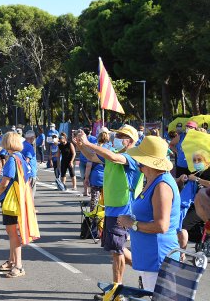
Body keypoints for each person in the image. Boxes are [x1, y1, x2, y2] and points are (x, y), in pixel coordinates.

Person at [75, 125, 142, 297]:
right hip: (112, 208)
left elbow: (112, 156)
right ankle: (147, 270)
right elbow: (92, 156)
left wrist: (89, 143)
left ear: (131, 141)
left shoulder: (131, 157)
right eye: (117, 134)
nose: (117, 137)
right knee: (115, 247)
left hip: (124, 209)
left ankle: (116, 290)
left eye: (122, 135)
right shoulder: (113, 155)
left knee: (116, 250)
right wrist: (81, 145)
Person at [117, 136, 180, 292]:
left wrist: (132, 224)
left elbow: (161, 226)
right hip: (150, 257)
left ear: (146, 162)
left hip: (157, 258)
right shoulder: (154, 180)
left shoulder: (162, 186)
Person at [0, 132, 33, 278]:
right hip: (20, 200)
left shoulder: (12, 160)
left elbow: (4, 182)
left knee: (13, 234)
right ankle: (11, 261)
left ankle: (18, 265)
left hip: (12, 201)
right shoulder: (21, 158)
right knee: (13, 233)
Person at [176, 150, 210, 256]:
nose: (196, 162)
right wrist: (182, 179)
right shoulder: (196, 171)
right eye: (194, 160)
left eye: (199, 160)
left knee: (183, 225)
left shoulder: (208, 171)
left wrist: (197, 179)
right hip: (193, 204)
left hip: (205, 206)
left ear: (206, 161)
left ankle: (182, 253)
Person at [84, 130, 108, 210]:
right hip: (108, 178)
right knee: (106, 201)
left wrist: (86, 178)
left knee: (94, 200)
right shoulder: (110, 149)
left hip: (96, 178)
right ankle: (104, 219)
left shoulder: (94, 149)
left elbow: (89, 165)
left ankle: (94, 219)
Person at [22, 130, 37, 198]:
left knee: (24, 194)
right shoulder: (30, 147)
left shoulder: (22, 145)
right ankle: (30, 208)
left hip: (23, 173)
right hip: (30, 173)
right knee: (30, 195)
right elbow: (27, 160)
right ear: (32, 138)